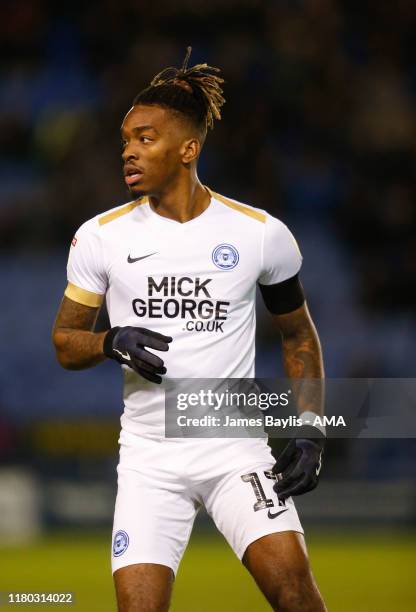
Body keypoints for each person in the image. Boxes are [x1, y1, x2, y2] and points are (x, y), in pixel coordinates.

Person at [52, 48, 327, 612]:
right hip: (150, 457)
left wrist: (311, 429)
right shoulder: (101, 238)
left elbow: (298, 336)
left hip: (235, 450)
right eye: (125, 139)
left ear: (188, 149)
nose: (128, 150)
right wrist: (110, 341)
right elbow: (64, 342)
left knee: (297, 596)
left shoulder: (260, 234)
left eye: (145, 138)